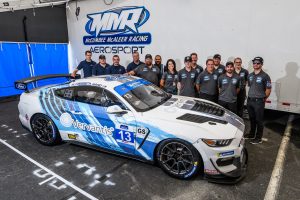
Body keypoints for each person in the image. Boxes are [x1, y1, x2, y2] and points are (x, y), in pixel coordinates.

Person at [245, 57, 272, 144]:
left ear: (261, 64)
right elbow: (250, 86)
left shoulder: (265, 76)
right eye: (254, 63)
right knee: (252, 119)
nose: (256, 64)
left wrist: (263, 98)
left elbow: (268, 89)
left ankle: (258, 138)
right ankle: (252, 134)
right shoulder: (250, 75)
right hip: (250, 100)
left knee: (259, 120)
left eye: (258, 63)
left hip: (259, 101)